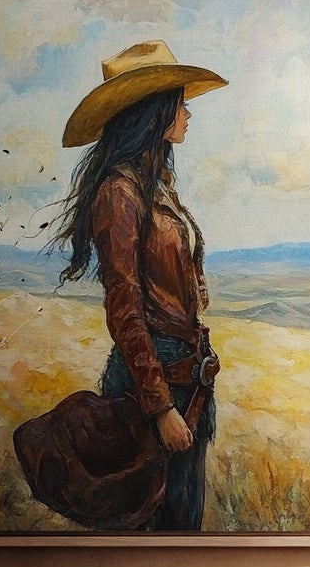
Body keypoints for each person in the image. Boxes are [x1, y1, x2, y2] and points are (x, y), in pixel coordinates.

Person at [53, 41, 227, 530]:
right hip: (148, 394)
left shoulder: (156, 189)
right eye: (179, 101)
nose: (188, 113)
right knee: (147, 540)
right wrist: (160, 407)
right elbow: (125, 309)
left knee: (183, 531)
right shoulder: (119, 194)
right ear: (156, 113)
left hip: (187, 385)